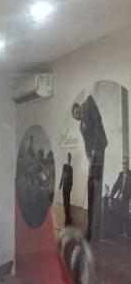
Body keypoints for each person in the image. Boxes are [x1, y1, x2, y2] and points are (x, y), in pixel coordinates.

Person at [73, 97, 108, 240]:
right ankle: (92, 228)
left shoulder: (88, 103)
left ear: (79, 107)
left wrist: (94, 149)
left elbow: (98, 123)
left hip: (99, 150)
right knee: (92, 190)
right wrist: (89, 156)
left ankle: (95, 230)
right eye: (76, 117)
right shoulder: (81, 127)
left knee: (97, 189)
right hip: (93, 157)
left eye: (77, 113)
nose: (78, 117)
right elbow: (86, 144)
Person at [110, 157, 131, 237]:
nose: (124, 165)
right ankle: (118, 232)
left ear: (128, 164)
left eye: (125, 163)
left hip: (127, 199)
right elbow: (116, 186)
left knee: (125, 215)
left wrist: (124, 195)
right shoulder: (121, 174)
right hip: (119, 199)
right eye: (123, 164)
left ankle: (125, 233)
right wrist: (111, 197)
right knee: (116, 212)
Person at [59, 153, 73, 226]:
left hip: (68, 188)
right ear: (66, 158)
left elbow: (71, 178)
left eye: (70, 158)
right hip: (64, 186)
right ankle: (67, 218)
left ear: (70, 159)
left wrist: (71, 187)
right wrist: (60, 184)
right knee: (65, 202)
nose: (69, 159)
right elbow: (62, 175)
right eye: (68, 157)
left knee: (68, 202)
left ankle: (68, 219)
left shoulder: (71, 168)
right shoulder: (64, 166)